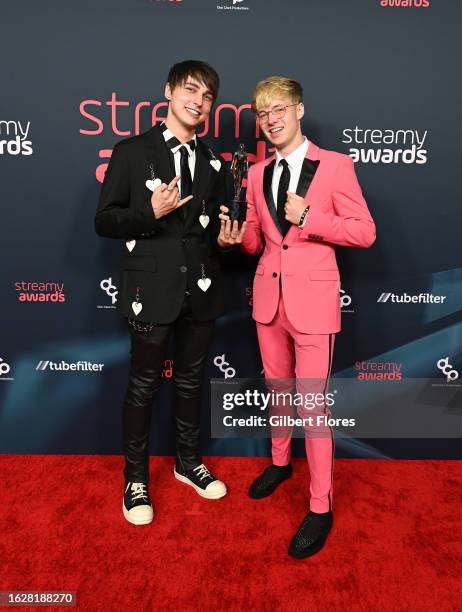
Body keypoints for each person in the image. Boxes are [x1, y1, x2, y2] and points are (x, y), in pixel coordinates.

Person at [218, 76, 376, 558]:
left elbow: (365, 232)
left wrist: (311, 218)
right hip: (268, 300)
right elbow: (257, 241)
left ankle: (320, 506)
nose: (270, 119)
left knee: (313, 407)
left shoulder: (335, 166)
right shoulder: (255, 172)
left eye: (278, 109)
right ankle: (280, 461)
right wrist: (234, 239)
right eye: (261, 114)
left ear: (300, 110)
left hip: (313, 304)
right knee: (277, 390)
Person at [95, 60, 228, 526]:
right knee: (144, 385)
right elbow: (105, 220)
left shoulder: (214, 160)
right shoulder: (132, 151)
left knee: (192, 381)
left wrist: (228, 240)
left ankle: (187, 462)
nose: (198, 101)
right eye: (190, 90)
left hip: (202, 290)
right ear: (169, 92)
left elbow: (215, 227)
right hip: (149, 291)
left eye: (208, 96)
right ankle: (135, 479)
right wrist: (148, 211)